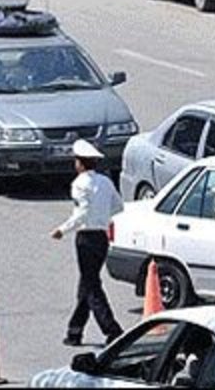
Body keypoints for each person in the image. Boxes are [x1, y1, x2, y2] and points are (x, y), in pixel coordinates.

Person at [51, 140, 124, 347]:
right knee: (87, 284)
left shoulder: (79, 184)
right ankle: (75, 332)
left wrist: (62, 230)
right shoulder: (106, 182)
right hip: (101, 237)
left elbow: (81, 213)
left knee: (92, 287)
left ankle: (113, 330)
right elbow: (118, 206)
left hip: (86, 240)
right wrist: (101, 217)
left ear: (81, 164)